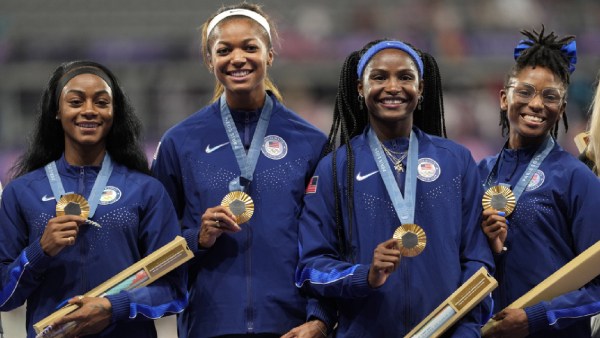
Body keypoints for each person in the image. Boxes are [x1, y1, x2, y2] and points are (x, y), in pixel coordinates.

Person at [151, 3, 331, 337]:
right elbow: (153, 241)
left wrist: (320, 317)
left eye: (250, 47)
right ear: (209, 60)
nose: (238, 58)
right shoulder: (180, 142)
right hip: (209, 324)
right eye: (224, 50)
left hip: (291, 326)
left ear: (270, 56)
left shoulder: (310, 142)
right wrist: (197, 238)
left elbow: (329, 240)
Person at [294, 39, 495, 337]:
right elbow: (311, 268)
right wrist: (366, 275)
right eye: (379, 77)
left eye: (405, 77)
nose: (392, 87)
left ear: (421, 88)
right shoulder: (335, 168)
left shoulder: (456, 161)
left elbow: (478, 259)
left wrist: (465, 328)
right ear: (360, 88)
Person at [0, 60, 187, 338]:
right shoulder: (21, 192)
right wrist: (40, 251)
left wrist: (114, 307)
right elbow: (4, 296)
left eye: (101, 102)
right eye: (75, 102)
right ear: (56, 111)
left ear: (114, 112)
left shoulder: (146, 190)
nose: (89, 111)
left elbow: (175, 290)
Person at [479, 27, 600, 338]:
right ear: (505, 98)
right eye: (525, 92)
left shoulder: (577, 179)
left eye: (550, 96)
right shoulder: (478, 174)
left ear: (560, 109)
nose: (536, 104)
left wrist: (536, 317)